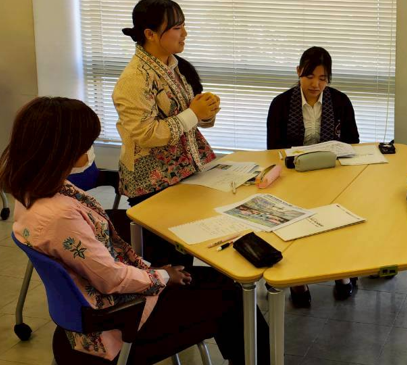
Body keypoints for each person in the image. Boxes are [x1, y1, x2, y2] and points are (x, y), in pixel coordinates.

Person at [0, 97, 270, 365]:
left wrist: (152, 272)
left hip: (94, 306)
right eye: (87, 144)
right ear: (63, 150)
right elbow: (110, 278)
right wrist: (162, 275)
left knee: (217, 283)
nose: (90, 151)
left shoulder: (32, 192)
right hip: (118, 321)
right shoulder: (59, 215)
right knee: (232, 297)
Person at [113, 0, 220, 266]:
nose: (185, 34)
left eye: (183, 26)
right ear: (150, 34)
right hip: (154, 185)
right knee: (168, 266)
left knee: (185, 256)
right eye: (177, 28)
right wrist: (193, 113)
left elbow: (187, 118)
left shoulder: (173, 66)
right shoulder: (134, 79)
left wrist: (205, 112)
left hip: (183, 174)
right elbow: (146, 134)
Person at [266, 46, 359, 306]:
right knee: (294, 227)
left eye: (322, 78)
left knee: (338, 223)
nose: (315, 84)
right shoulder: (281, 104)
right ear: (298, 72)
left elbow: (353, 142)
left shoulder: (340, 101)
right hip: (294, 176)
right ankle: (298, 282)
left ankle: (342, 274)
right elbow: (273, 150)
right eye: (309, 76)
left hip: (332, 174)